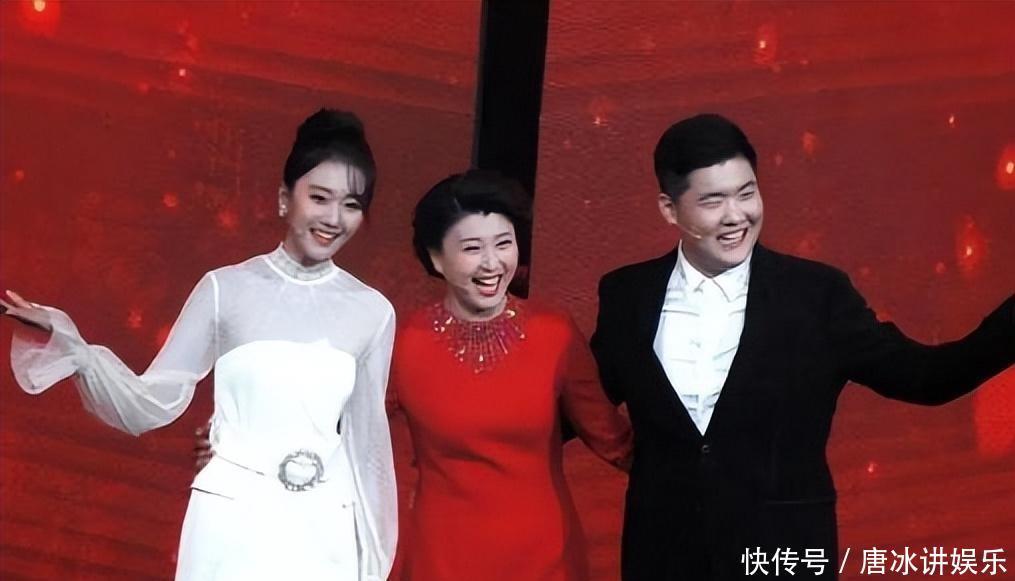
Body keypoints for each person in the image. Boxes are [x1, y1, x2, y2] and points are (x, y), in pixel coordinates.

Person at [590, 113, 1015, 580]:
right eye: (713, 201)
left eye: (747, 193)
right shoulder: (629, 296)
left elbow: (926, 377)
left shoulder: (816, 295)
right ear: (670, 209)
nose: (736, 216)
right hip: (663, 560)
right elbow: (578, 401)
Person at [1, 109, 398, 581]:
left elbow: (368, 448)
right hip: (229, 524)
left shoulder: (372, 312)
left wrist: (373, 564)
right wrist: (75, 348)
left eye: (351, 205)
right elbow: (152, 401)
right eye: (319, 198)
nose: (333, 218)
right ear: (283, 199)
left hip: (323, 533)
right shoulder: (225, 290)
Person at [389, 170, 633, 580]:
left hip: (545, 557)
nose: (492, 263)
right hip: (442, 557)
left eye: (504, 244)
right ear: (436, 258)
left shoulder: (553, 332)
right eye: (472, 248)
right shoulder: (404, 342)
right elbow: (356, 443)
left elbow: (613, 440)